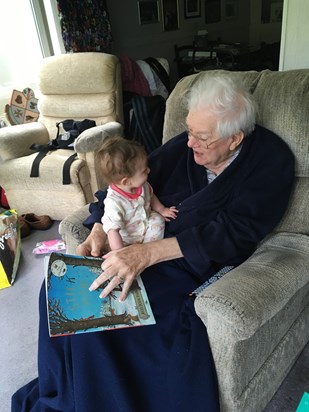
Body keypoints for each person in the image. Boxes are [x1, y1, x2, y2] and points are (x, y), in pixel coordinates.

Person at [12, 73, 295, 412]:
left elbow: (236, 234)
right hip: (139, 244)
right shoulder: (185, 146)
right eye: (189, 131)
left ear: (234, 139)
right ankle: (63, 395)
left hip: (191, 264)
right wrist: (100, 228)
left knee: (99, 316)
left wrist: (144, 255)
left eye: (201, 137)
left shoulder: (270, 161)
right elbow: (123, 182)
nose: (189, 143)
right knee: (55, 290)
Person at [97, 136, 178, 252]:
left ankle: (147, 250)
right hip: (126, 239)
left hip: (146, 226)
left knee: (158, 220)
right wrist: (119, 253)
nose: (149, 171)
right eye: (144, 171)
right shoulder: (114, 202)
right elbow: (112, 231)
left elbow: (151, 195)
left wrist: (162, 209)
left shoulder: (142, 185)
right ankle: (129, 252)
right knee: (114, 245)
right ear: (126, 181)